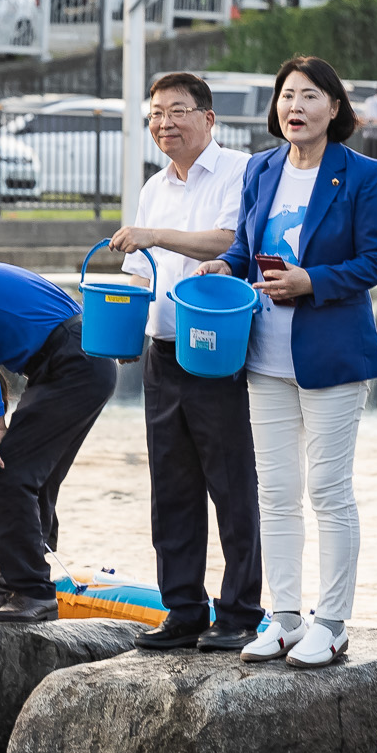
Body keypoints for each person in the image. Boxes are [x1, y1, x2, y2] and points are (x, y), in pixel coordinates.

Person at [200, 55, 377, 669]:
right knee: (276, 492)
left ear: (334, 109)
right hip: (263, 354)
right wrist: (226, 266)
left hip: (332, 354)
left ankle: (332, 623)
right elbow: (245, 243)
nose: (296, 107)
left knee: (329, 490)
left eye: (310, 96)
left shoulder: (360, 174)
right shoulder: (261, 170)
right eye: (287, 96)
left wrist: (313, 281)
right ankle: (285, 617)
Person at [107, 71, 255, 653]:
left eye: (177, 111)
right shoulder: (153, 186)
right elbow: (141, 271)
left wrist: (155, 236)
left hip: (218, 350)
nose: (164, 123)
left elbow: (226, 241)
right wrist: (120, 314)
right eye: (156, 115)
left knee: (232, 482)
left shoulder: (239, 171)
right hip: (162, 349)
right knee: (171, 487)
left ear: (208, 118)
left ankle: (241, 610)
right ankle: (183, 608)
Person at [0, 259, 117, 623]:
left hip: (74, 358)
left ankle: (31, 590)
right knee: (32, 478)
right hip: (77, 359)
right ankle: (22, 588)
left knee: (4, 469)